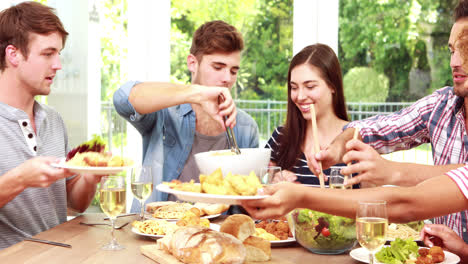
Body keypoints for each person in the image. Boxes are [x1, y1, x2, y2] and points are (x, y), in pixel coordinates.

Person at [305, 0, 468, 242]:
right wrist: (338, 147)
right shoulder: (441, 106)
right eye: (452, 50)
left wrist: (392, 172)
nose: (454, 62)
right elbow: (374, 129)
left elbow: (461, 178)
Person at [113, 20, 259, 210]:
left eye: (233, 71)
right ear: (192, 63)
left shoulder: (246, 127)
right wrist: (198, 94)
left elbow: (250, 201)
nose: (227, 79)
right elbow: (122, 99)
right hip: (158, 228)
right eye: (217, 67)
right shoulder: (164, 113)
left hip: (219, 235)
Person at [0, 2, 103, 249]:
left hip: (60, 254)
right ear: (13, 55)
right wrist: (21, 178)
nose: (58, 65)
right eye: (48, 54)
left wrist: (91, 176)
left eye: (59, 54)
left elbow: (75, 203)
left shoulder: (53, 120)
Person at [265, 44, 356, 187]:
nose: (300, 96)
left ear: (332, 86)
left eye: (310, 87)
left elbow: (372, 203)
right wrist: (273, 181)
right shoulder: (280, 138)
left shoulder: (356, 139)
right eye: (294, 88)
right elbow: (258, 191)